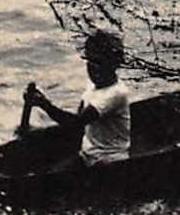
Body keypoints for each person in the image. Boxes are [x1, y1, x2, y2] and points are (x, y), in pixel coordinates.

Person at [22, 30, 131, 166]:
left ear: (114, 64)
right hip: (88, 154)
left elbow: (76, 123)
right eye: (90, 61)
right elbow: (78, 123)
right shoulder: (92, 85)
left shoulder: (115, 94)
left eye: (99, 63)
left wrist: (44, 104)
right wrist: (39, 132)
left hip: (109, 160)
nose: (93, 69)